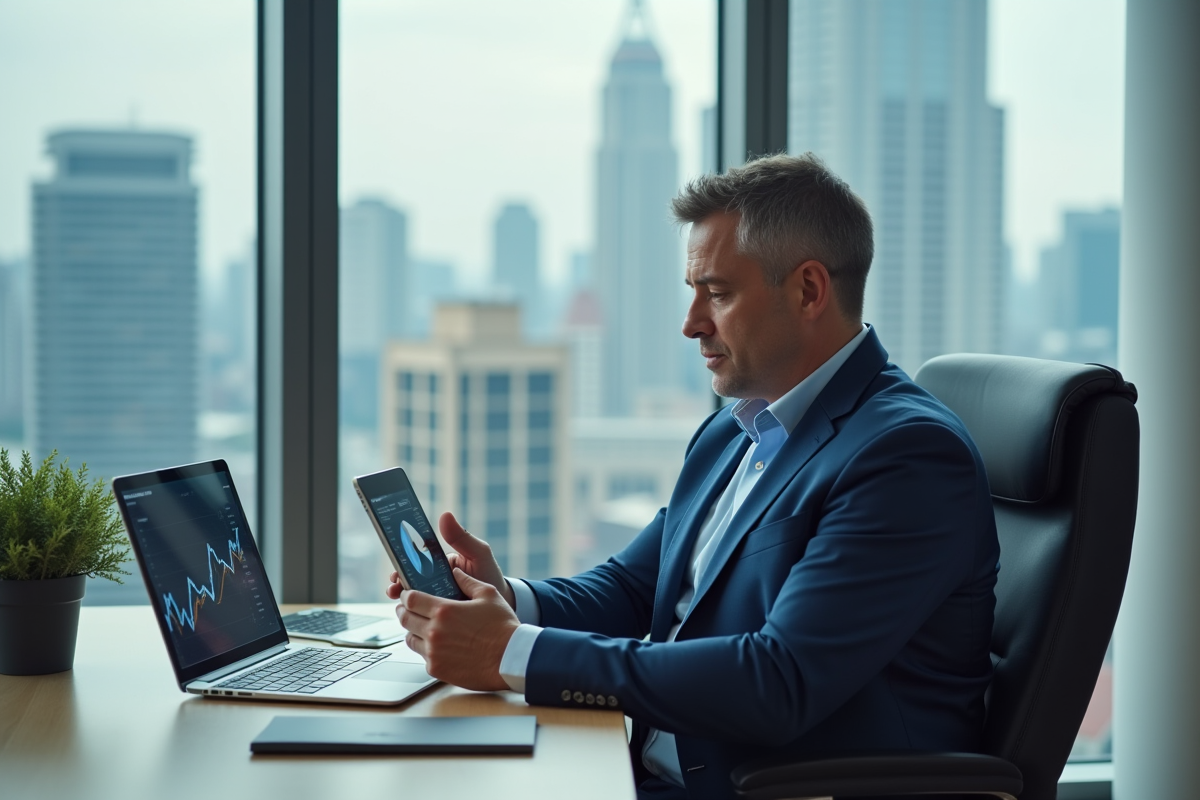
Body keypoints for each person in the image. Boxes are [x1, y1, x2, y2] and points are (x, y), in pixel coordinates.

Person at [387, 153, 1000, 800]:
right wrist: (508, 601)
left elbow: (779, 680)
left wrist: (514, 654)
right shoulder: (733, 431)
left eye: (718, 293)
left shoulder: (905, 456)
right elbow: (634, 589)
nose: (691, 323)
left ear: (809, 290)